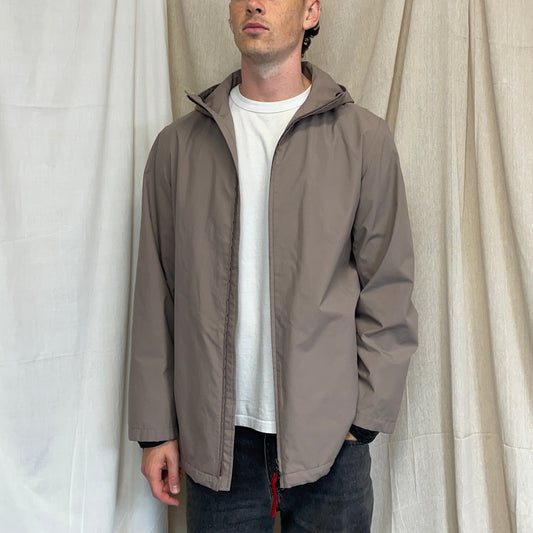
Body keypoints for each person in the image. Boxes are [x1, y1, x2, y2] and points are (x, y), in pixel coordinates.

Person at [128, 0, 418, 531]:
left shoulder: (363, 140)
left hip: (331, 443)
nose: (255, 4)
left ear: (310, 13)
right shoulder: (178, 148)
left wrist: (363, 421)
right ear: (229, 13)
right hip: (217, 446)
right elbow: (155, 295)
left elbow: (388, 286)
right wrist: (156, 430)